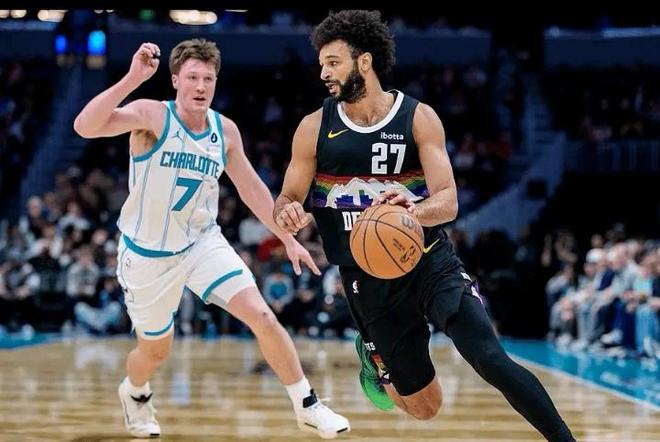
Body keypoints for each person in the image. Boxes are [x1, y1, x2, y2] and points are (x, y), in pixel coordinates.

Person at [273, 10, 574, 441]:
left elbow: (448, 201)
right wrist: (287, 211)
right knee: (425, 407)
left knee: (490, 358)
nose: (323, 73)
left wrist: (413, 212)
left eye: (333, 62)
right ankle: (376, 361)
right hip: (366, 278)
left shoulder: (417, 118)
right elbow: (287, 198)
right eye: (321, 63)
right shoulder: (313, 128)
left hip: (428, 260)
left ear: (364, 61)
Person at [73, 39, 349, 439]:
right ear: (175, 80)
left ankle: (307, 404)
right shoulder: (152, 115)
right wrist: (133, 78)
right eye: (192, 78)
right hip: (147, 255)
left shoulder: (225, 131)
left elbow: (252, 189)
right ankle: (134, 391)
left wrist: (288, 238)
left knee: (262, 315)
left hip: (202, 244)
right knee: (155, 352)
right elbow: (84, 126)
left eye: (208, 78)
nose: (201, 86)